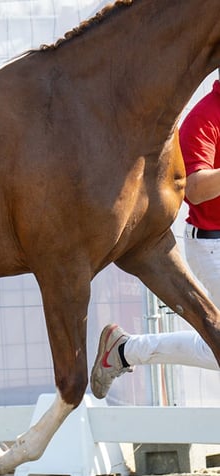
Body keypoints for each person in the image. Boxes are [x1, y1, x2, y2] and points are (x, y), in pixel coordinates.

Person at [91, 74, 220, 399]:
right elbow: (196, 188)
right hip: (212, 246)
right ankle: (125, 351)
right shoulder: (205, 117)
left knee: (215, 343)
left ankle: (124, 351)